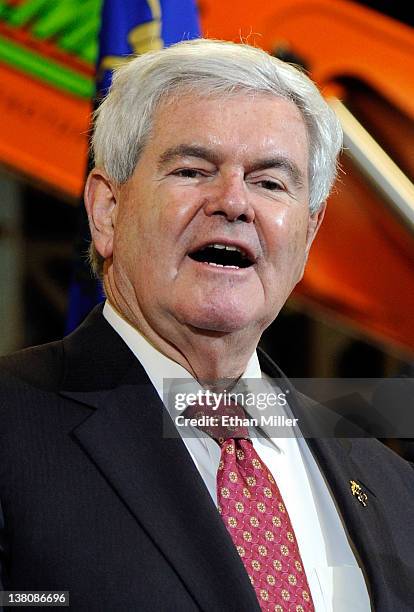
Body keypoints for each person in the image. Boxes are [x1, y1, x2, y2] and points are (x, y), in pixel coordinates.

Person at [0, 39, 413, 612]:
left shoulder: (392, 486)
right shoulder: (13, 426)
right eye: (193, 170)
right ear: (107, 211)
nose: (234, 203)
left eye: (270, 182)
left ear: (308, 233)